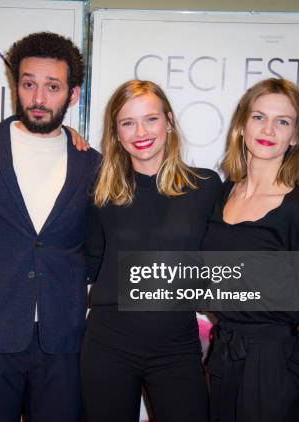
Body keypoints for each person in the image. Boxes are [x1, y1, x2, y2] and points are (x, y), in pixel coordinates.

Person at [0, 32, 100, 422]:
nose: (38, 99)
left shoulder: (93, 164)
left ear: (72, 95)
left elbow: (101, 245)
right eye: (29, 84)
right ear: (15, 85)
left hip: (63, 338)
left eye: (52, 87)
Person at [81, 80, 221, 421]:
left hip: (177, 344)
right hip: (109, 343)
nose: (140, 131)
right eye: (127, 123)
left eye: (151, 119)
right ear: (115, 133)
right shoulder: (101, 191)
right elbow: (92, 261)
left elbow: (216, 265)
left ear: (169, 121)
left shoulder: (205, 187)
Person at [201, 78, 299, 421]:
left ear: (295, 136)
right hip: (223, 358)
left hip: (275, 366)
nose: (269, 129)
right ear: (242, 124)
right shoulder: (221, 195)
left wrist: (289, 382)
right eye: (259, 117)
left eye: (283, 121)